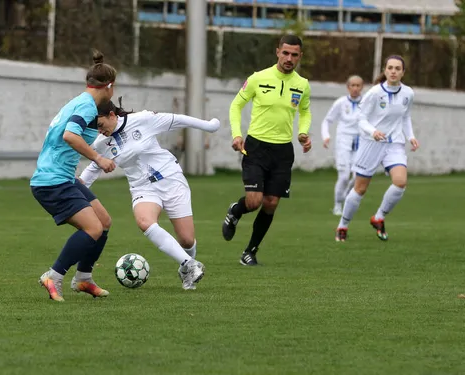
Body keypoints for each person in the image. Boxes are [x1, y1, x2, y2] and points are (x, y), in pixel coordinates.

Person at [78, 98, 220, 290]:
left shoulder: (143, 119)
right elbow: (94, 167)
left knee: (186, 239)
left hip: (171, 179)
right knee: (144, 221)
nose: (100, 131)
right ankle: (190, 264)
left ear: (112, 115)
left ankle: (186, 268)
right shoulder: (101, 143)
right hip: (142, 187)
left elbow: (177, 119)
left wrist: (209, 126)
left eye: (101, 125)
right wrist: (76, 184)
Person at [30, 50, 117, 302]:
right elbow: (70, 136)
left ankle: (83, 279)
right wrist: (99, 159)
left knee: (104, 221)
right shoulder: (87, 107)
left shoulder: (79, 102)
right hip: (51, 182)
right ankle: (53, 276)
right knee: (93, 228)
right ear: (109, 86)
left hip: (64, 178)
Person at [221, 34, 312, 266]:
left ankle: (250, 251)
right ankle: (235, 211)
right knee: (254, 201)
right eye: (285, 53)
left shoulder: (302, 85)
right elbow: (236, 105)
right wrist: (237, 135)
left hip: (283, 152)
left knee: (271, 203)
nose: (289, 58)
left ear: (300, 56)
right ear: (277, 52)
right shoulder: (258, 78)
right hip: (256, 148)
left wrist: (303, 133)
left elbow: (305, 111)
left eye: (294, 54)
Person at [335, 55, 419, 242]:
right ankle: (343, 225)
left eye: (398, 68)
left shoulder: (408, 93)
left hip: (394, 143)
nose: (393, 71)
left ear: (403, 72)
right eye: (390, 68)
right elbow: (361, 119)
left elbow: (405, 117)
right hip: (371, 144)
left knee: (400, 182)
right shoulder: (374, 93)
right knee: (360, 189)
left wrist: (410, 136)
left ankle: (378, 217)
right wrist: (373, 132)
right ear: (385, 70)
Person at [321, 75, 364, 216]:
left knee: (358, 177)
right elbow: (327, 121)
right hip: (343, 143)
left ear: (362, 87)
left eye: (358, 85)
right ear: (348, 87)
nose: (355, 88)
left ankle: (344, 195)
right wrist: (326, 136)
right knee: (344, 176)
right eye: (353, 85)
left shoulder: (367, 103)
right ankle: (338, 204)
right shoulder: (341, 103)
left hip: (360, 144)